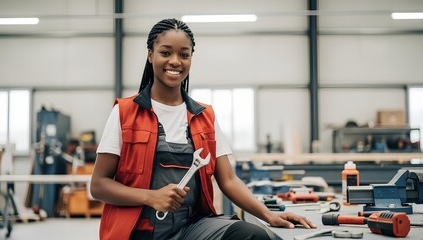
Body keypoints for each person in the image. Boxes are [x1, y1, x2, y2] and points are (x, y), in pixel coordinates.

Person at [90, 18, 316, 240]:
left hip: (191, 227)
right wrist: (150, 197)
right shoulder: (125, 112)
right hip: (137, 231)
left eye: (184, 54)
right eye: (166, 53)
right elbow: (99, 185)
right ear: (150, 55)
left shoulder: (204, 116)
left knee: (252, 236)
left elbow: (228, 179)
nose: (175, 61)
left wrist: (269, 215)